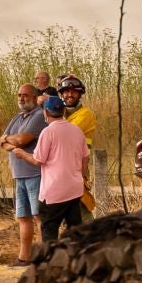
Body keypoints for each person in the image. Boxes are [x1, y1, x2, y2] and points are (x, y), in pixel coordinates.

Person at [8, 95, 87, 244]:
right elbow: (85, 158)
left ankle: (51, 263)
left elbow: (38, 160)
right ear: (63, 110)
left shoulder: (48, 132)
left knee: (49, 231)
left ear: (46, 112)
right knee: (75, 230)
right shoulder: (76, 130)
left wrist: (23, 154)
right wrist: (79, 176)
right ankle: (75, 261)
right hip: (75, 189)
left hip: (54, 191)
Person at [0, 82, 50, 265]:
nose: (21, 98)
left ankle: (45, 257)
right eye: (19, 95)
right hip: (19, 176)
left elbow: (22, 139)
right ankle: (24, 257)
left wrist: (9, 140)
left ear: (35, 98)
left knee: (39, 216)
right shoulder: (17, 117)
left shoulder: (38, 116)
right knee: (23, 217)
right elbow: (1, 141)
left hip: (35, 174)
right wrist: (11, 142)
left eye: (25, 95)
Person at [58, 74, 97, 214]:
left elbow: (64, 133)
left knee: (81, 208)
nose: (69, 95)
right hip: (60, 169)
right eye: (66, 92)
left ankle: (90, 234)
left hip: (77, 167)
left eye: (73, 92)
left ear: (80, 94)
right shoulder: (61, 115)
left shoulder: (86, 114)